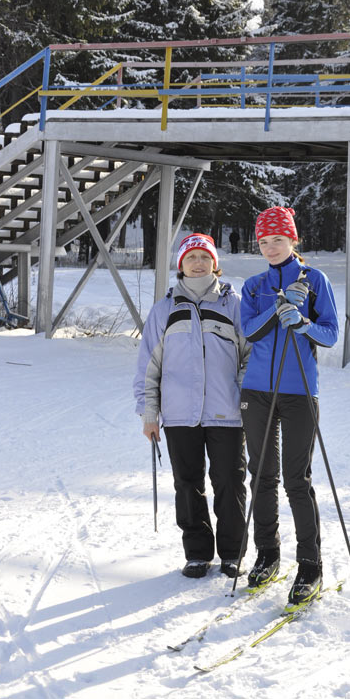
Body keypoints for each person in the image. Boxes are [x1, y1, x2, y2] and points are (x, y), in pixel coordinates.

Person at [133, 233, 250, 579]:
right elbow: (148, 367)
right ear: (180, 264)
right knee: (187, 483)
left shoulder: (234, 305)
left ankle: (232, 553)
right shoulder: (164, 309)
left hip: (226, 413)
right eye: (191, 257)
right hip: (180, 414)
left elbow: (250, 356)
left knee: (229, 481)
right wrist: (149, 413)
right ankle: (197, 553)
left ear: (214, 262)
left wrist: (242, 396)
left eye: (204, 257)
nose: (198, 263)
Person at [240, 206, 339, 606]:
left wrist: (302, 322)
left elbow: (331, 335)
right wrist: (279, 305)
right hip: (258, 391)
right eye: (264, 242)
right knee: (262, 476)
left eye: (278, 240)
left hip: (300, 391)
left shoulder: (316, 280)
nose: (270, 248)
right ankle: (267, 554)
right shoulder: (254, 285)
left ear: (293, 241)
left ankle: (310, 565)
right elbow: (249, 330)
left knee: (297, 480)